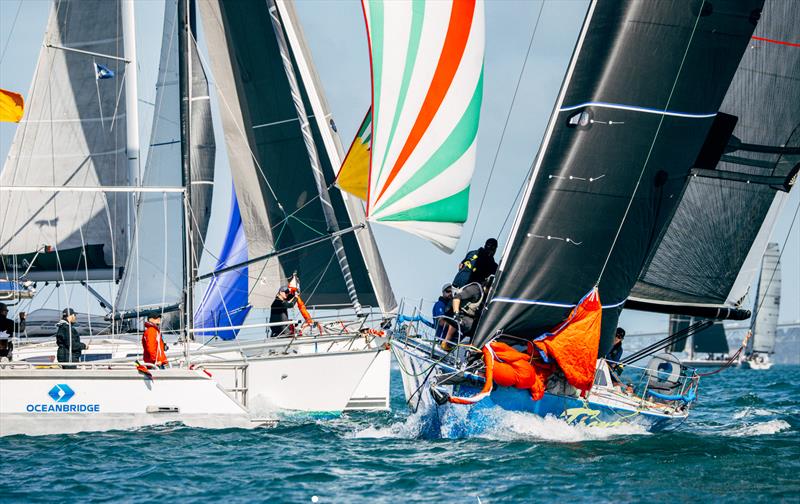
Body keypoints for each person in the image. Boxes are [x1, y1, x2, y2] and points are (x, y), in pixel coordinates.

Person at [441, 281, 486, 350]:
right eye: (447, 291)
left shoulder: (484, 295)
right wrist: (456, 313)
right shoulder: (475, 289)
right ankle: (446, 343)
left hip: (463, 314)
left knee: (476, 326)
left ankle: (454, 345)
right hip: (452, 312)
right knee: (473, 328)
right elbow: (456, 297)